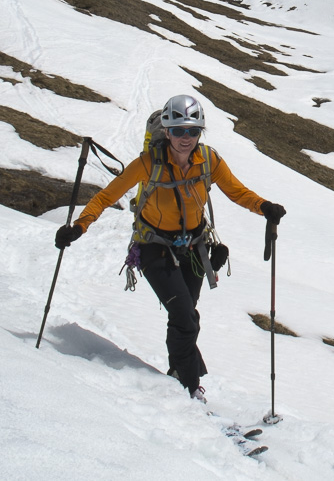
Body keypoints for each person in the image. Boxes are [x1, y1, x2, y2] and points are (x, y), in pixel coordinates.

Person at [54, 94, 286, 401]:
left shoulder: (209, 160)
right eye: (178, 131)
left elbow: (237, 192)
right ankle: (191, 388)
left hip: (194, 249)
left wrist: (265, 207)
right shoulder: (147, 164)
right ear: (167, 131)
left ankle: (178, 374)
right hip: (154, 248)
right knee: (184, 316)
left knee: (188, 316)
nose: (186, 138)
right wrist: (80, 226)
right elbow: (105, 197)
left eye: (193, 131)